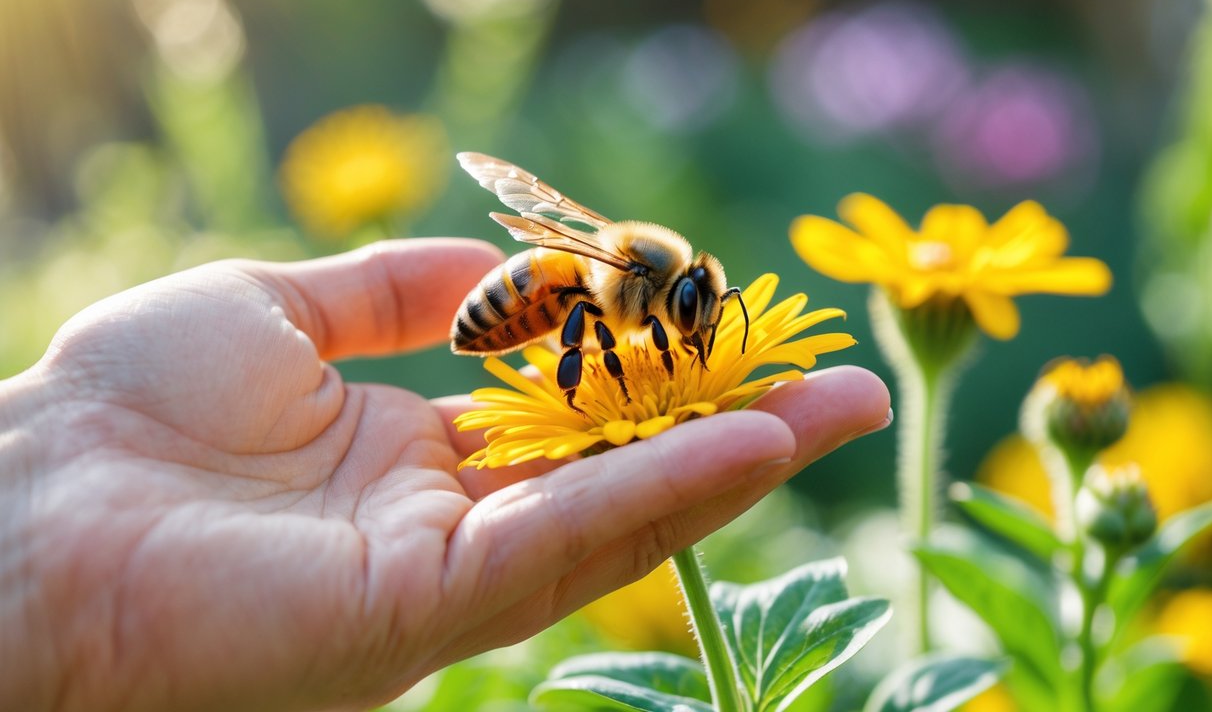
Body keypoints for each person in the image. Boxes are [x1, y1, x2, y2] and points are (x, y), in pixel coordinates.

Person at [0, 238, 891, 712]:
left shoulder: (649, 291)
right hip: (530, 301)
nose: (689, 334)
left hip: (547, 306)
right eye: (684, 317)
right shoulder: (622, 282)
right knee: (585, 325)